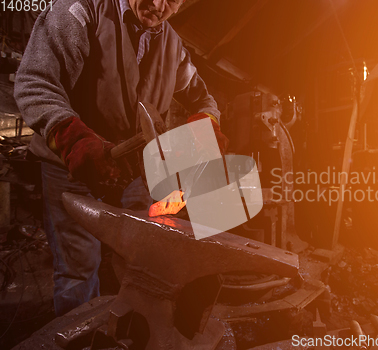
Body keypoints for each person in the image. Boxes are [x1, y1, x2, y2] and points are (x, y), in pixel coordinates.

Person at [14, 0, 228, 316]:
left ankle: (129, 329)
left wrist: (205, 124)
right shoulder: (80, 11)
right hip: (72, 164)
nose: (157, 5)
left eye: (171, 0)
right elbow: (35, 82)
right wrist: (73, 140)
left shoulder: (173, 45)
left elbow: (204, 99)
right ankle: (80, 338)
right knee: (79, 268)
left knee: (142, 255)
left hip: (132, 170)